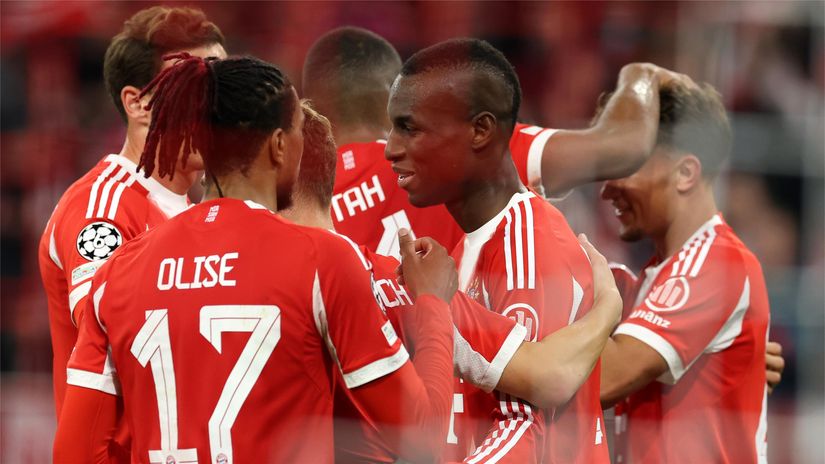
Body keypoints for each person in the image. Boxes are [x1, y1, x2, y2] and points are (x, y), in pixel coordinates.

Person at [53, 54, 457, 464]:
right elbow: (421, 439)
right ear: (280, 145)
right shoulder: (324, 260)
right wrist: (434, 305)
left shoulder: (118, 272)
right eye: (300, 131)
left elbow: (74, 454)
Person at [283, 101, 624, 463]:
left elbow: (538, 389)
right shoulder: (403, 282)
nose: (392, 148)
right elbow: (546, 374)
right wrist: (607, 310)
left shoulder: (419, 277)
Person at [386, 38, 609, 463]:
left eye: (410, 127)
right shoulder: (465, 248)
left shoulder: (527, 242)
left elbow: (526, 430)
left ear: (480, 130)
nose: (391, 149)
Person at [303, 27, 681, 259]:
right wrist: (641, 74)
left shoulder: (284, 198)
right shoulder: (458, 149)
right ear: (395, 96)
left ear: (309, 109)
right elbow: (623, 147)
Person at [37, 6, 227, 422]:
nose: (217, 108)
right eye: (195, 90)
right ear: (138, 104)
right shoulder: (100, 208)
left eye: (222, 88)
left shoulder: (198, 211)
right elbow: (109, 338)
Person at [598, 82, 771, 462]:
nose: (607, 188)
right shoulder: (647, 281)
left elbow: (606, 379)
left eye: (625, 165)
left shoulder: (716, 262)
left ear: (685, 173)